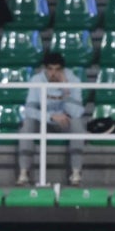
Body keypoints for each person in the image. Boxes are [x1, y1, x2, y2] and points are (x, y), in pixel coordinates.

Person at [17, 51, 86, 186]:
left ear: (63, 69)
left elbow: (77, 112)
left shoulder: (74, 81)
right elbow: (29, 110)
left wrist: (66, 90)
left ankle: (76, 173)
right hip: (44, 121)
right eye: (50, 69)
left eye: (57, 69)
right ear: (45, 69)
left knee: (77, 124)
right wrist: (51, 117)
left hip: (65, 122)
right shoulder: (37, 80)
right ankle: (23, 173)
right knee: (27, 124)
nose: (53, 73)